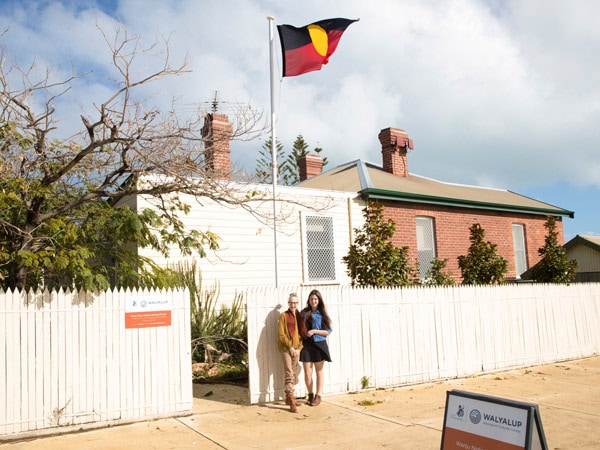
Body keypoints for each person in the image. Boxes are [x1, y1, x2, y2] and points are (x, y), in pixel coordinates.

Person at [300, 289, 332, 406]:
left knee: (319, 371)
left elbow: (328, 331)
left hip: (319, 344)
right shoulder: (303, 312)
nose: (313, 301)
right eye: (312, 299)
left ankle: (318, 396)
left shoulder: (322, 313)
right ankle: (310, 394)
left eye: (316, 299)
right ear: (309, 300)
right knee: (307, 373)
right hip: (306, 345)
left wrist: (314, 331)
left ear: (318, 300)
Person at [277, 292, 308, 413]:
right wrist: (290, 347)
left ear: (297, 303)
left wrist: (299, 348)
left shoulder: (299, 317)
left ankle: (288, 399)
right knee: (289, 372)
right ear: (288, 303)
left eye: (295, 302)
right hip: (286, 349)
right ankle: (291, 398)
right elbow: (281, 335)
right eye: (291, 302)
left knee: (294, 372)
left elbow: (301, 335)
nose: (293, 305)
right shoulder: (283, 316)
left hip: (296, 349)